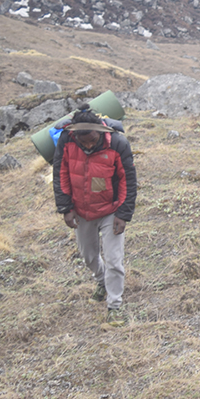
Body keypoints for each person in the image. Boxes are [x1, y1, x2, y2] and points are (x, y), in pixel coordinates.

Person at [52, 106, 138, 326]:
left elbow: (128, 180)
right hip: (81, 210)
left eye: (92, 140)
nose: (88, 145)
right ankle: (101, 281)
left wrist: (123, 214)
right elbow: (60, 174)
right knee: (88, 256)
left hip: (111, 210)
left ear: (100, 131)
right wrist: (66, 208)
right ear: (75, 137)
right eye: (84, 142)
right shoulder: (67, 141)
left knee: (114, 260)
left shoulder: (118, 144)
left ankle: (114, 305)